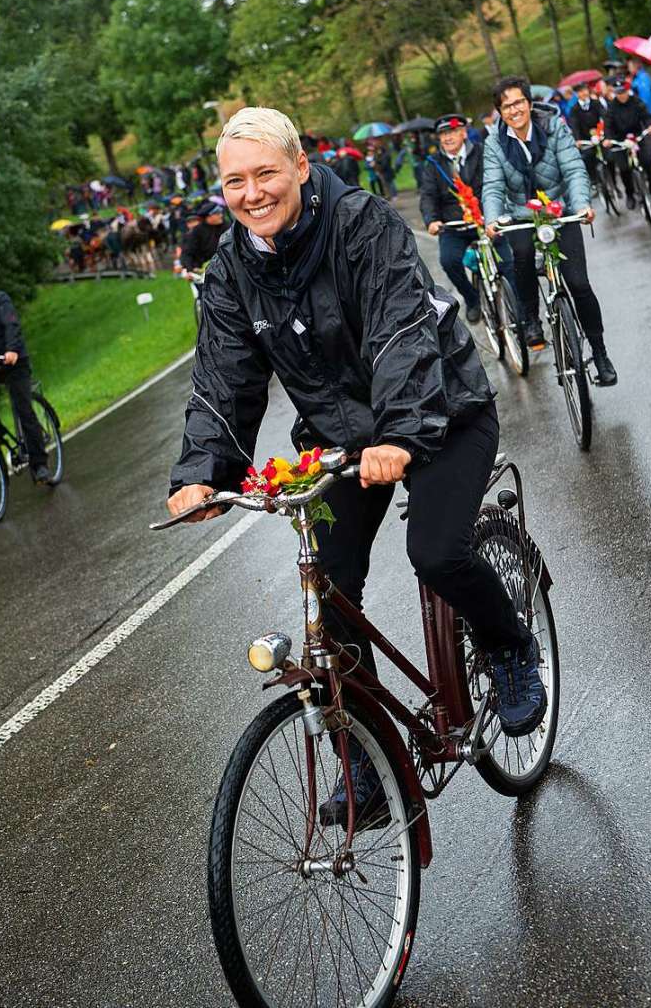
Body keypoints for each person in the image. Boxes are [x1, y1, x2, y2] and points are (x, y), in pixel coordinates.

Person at [166, 106, 546, 819]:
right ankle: (367, 763)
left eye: (266, 173)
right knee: (327, 589)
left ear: (301, 167)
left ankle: (509, 644)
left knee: (434, 551)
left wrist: (400, 433)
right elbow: (223, 377)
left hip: (442, 413)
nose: (252, 193)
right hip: (341, 440)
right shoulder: (231, 268)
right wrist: (203, 475)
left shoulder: (361, 224)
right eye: (234, 181)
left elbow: (403, 329)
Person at [483, 77, 617, 386]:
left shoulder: (554, 125)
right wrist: (492, 218)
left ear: (529, 103)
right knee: (522, 254)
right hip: (521, 213)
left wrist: (582, 205)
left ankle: (600, 353)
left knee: (579, 283)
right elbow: (492, 185)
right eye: (506, 106)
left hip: (560, 211)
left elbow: (573, 169)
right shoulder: (493, 142)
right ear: (500, 112)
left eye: (518, 102)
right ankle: (531, 317)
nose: (514, 110)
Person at [420, 113, 517, 325]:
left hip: (486, 220)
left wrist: (495, 213)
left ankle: (520, 313)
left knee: (508, 263)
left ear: (463, 133)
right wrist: (432, 220)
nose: (447, 138)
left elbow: (497, 183)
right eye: (443, 134)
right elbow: (428, 195)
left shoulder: (482, 152)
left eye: (452, 132)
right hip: (454, 225)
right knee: (449, 260)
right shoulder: (432, 164)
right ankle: (472, 300)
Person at [0, 266, 50, 482]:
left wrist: (12, 349)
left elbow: (11, 324)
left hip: (13, 361)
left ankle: (39, 464)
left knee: (23, 408)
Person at [603, 80, 651, 208]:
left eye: (623, 92)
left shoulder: (636, 101)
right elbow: (608, 124)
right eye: (618, 93)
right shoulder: (612, 106)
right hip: (620, 141)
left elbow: (646, 115)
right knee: (624, 168)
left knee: (648, 163)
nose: (621, 96)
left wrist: (650, 125)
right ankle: (630, 195)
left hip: (637, 137)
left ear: (627, 91)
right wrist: (608, 138)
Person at [568, 81, 606, 185]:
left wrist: (605, 132)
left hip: (600, 135)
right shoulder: (574, 109)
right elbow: (574, 125)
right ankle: (593, 180)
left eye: (585, 90)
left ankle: (613, 183)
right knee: (588, 157)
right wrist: (577, 139)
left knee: (609, 155)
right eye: (580, 91)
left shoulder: (596, 103)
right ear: (576, 94)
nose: (583, 93)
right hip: (585, 139)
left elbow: (605, 117)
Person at [179, 201, 225, 274]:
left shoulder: (227, 227)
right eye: (217, 213)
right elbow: (188, 252)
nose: (221, 215)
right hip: (204, 270)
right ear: (208, 217)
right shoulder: (197, 231)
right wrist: (190, 269)